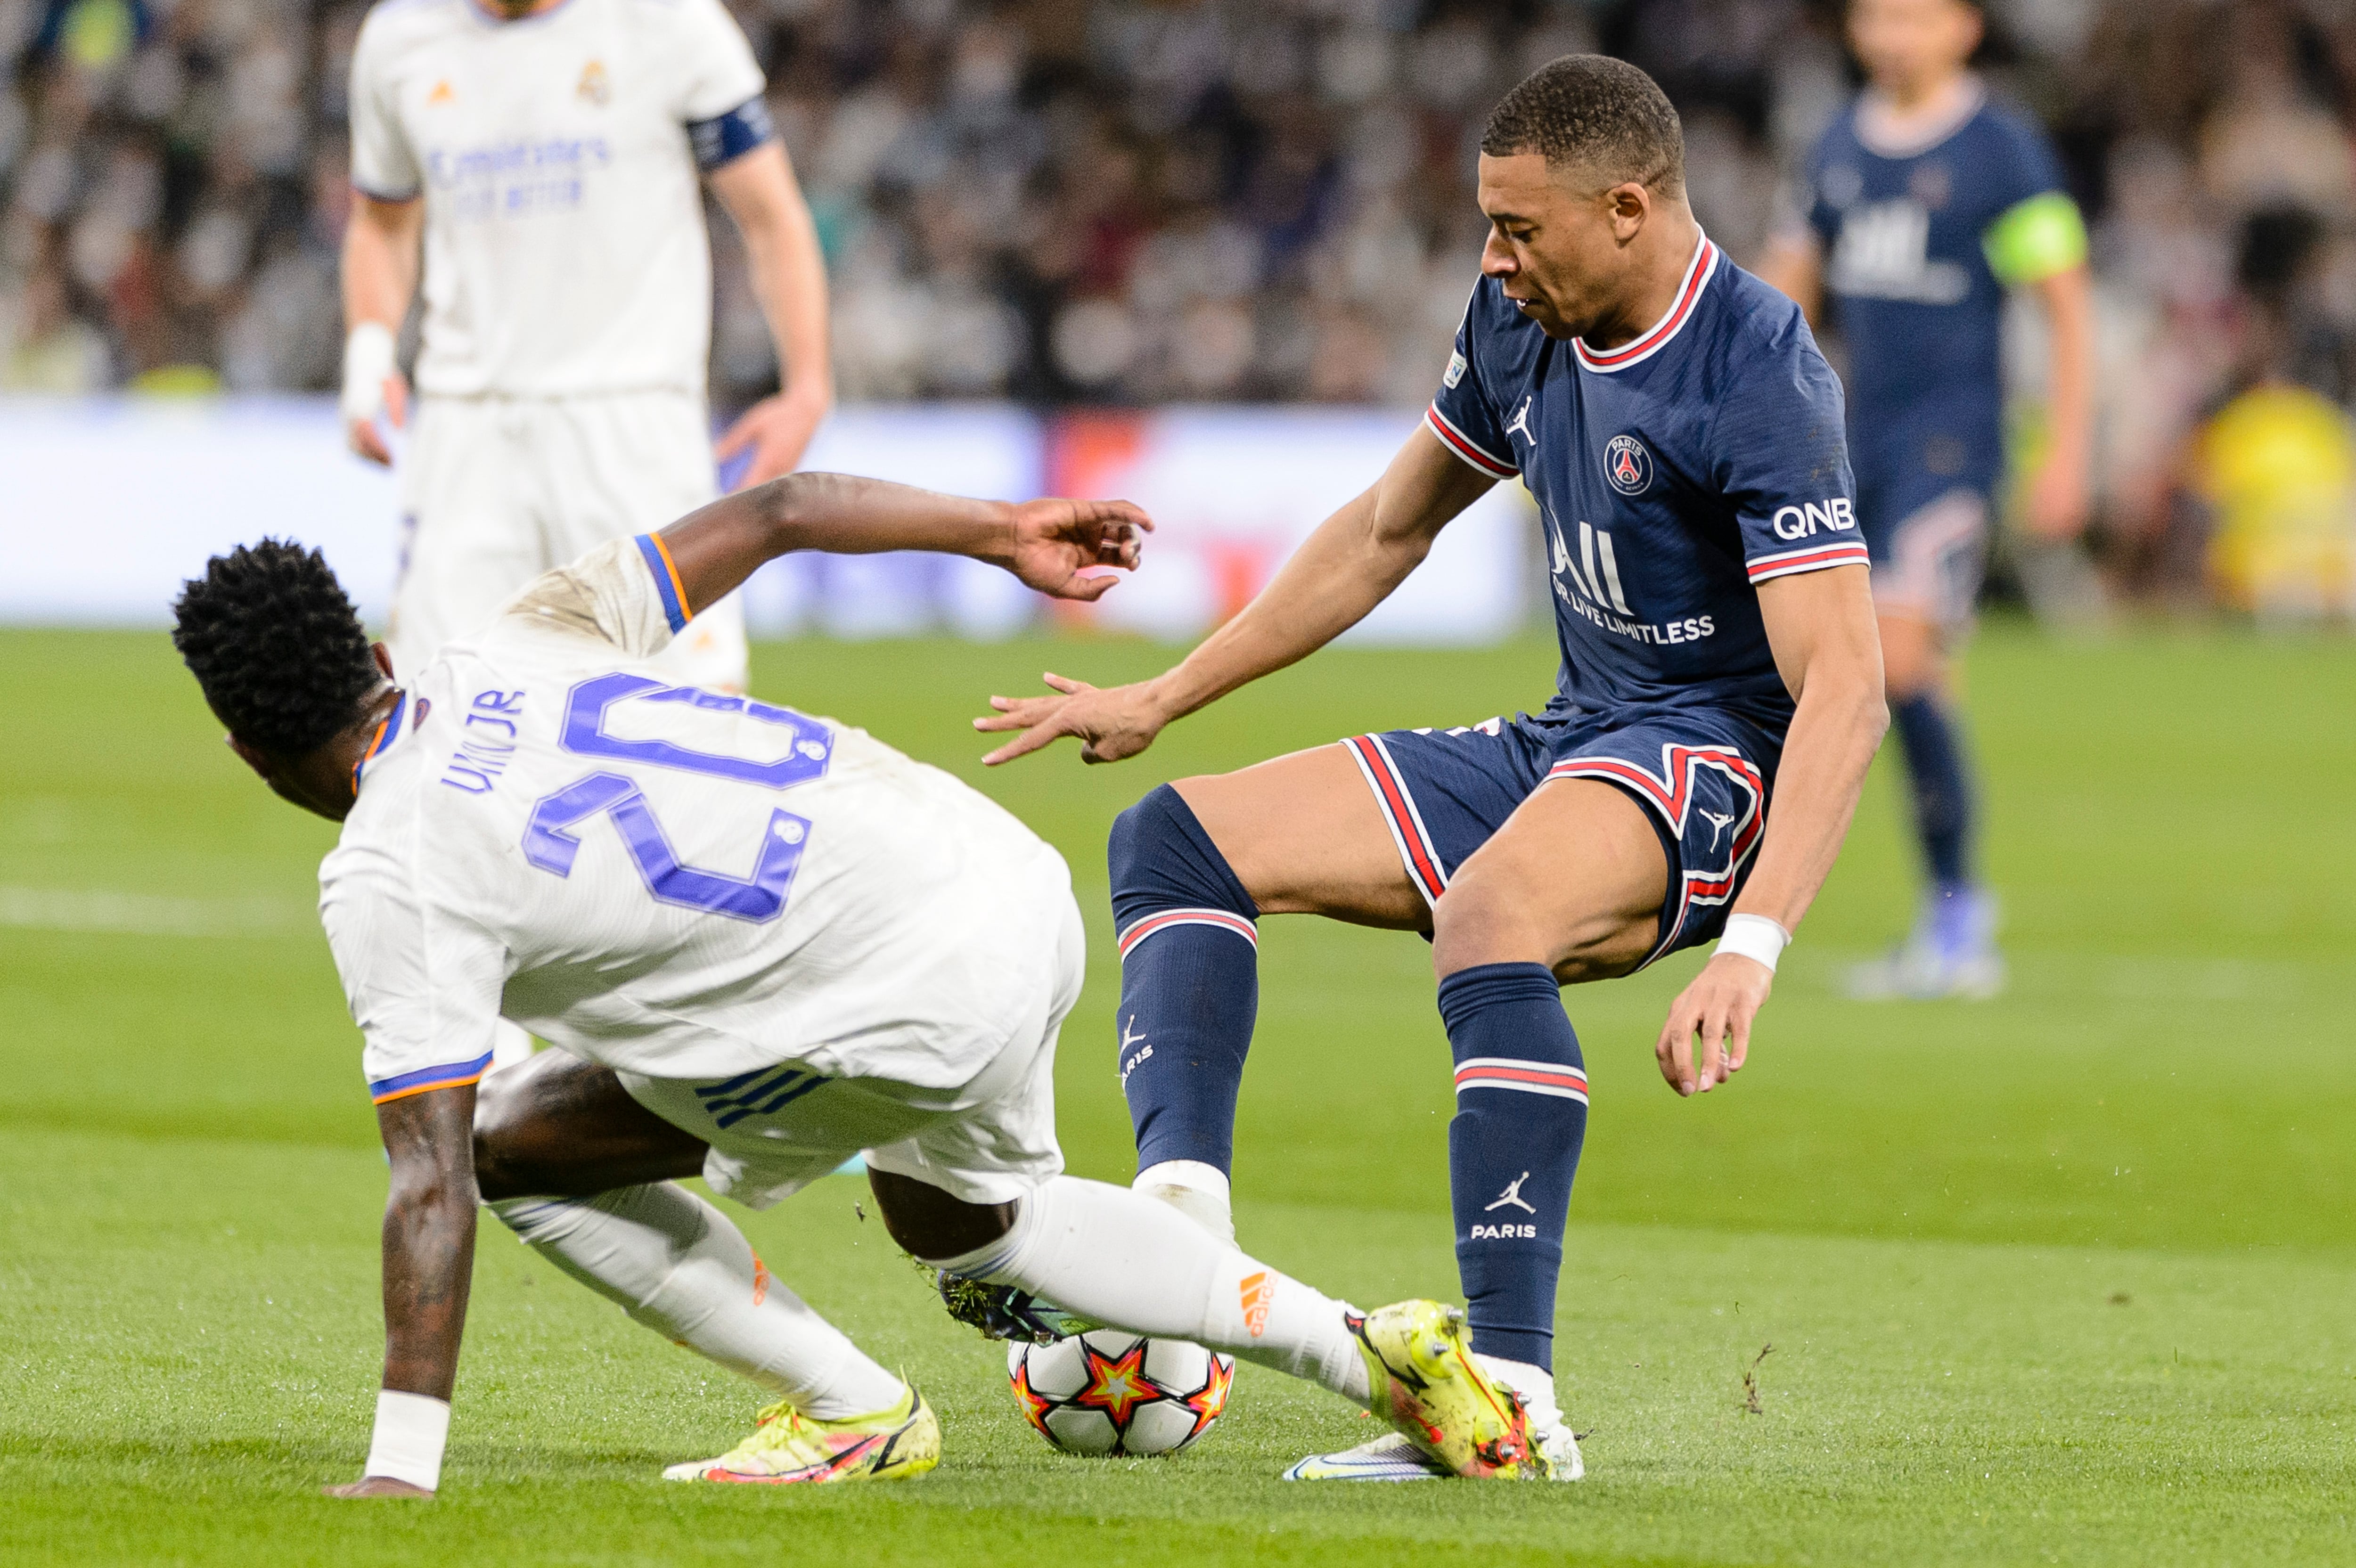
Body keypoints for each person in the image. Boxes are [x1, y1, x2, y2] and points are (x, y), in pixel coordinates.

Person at [168, 473, 1550, 1497]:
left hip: (892, 993)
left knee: (512, 1147)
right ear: (383, 656)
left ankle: (847, 1410)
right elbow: (778, 512)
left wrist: (401, 1469)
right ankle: (1379, 1355)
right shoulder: (522, 636)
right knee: (962, 1219)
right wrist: (1001, 532)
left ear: (247, 749)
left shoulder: (387, 867)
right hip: (1003, 881)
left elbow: (428, 1179)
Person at [973, 54, 1889, 1482]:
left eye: (1522, 229)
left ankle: (1510, 1403)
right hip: (1577, 732)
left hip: (1715, 760)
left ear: (1630, 210)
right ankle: (1184, 1243)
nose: (1493, 256)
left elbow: (1847, 687)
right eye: (1488, 223)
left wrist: (1754, 945)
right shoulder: (1519, 320)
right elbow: (1389, 530)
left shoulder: (1758, 366)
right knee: (1174, 840)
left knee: (1491, 914)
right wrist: (1169, 691)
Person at [338, 0, 834, 700]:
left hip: (634, 422)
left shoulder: (670, 23)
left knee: (690, 719)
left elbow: (771, 214)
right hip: (466, 431)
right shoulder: (399, 39)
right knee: (434, 724)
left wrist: (808, 387)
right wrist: (368, 357)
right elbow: (381, 223)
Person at [1757, 0, 2094, 998]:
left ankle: (1960, 921)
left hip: (1952, 446)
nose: (1893, 34)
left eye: (1915, 14)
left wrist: (2067, 447)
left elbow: (2066, 306)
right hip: (1854, 448)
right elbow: (1784, 291)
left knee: (1895, 661)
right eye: (1878, 15)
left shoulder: (2004, 151)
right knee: (1892, 674)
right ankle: (1949, 914)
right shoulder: (1835, 147)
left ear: (1963, 28)